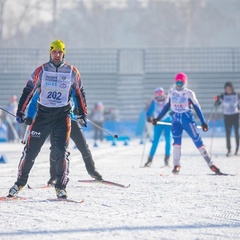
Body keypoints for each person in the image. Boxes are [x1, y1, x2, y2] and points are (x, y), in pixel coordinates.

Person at [7, 39, 87, 199]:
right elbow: (28, 90)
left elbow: (79, 93)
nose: (57, 55)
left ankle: (61, 187)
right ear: (50, 52)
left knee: (61, 152)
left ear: (64, 53)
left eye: (59, 52)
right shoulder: (41, 71)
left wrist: (82, 113)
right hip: (43, 115)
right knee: (30, 152)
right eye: (54, 52)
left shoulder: (72, 71)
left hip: (62, 117)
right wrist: (21, 110)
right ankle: (20, 183)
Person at [25, 90, 103, 186]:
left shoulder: (68, 85)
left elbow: (77, 97)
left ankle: (92, 171)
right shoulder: (44, 84)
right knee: (55, 149)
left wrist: (78, 111)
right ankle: (54, 177)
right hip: (55, 122)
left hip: (71, 120)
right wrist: (29, 116)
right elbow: (33, 102)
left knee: (83, 146)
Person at [151, 72, 221, 175]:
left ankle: (211, 164)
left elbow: (197, 107)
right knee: (176, 143)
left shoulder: (189, 93)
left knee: (198, 141)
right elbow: (166, 107)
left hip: (187, 120)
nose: (179, 84)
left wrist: (203, 122)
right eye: (177, 81)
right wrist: (157, 118)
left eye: (181, 82)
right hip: (175, 121)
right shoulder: (171, 93)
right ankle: (176, 165)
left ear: (185, 82)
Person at [144, 87, 172, 167]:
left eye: (161, 92)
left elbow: (172, 109)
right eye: (157, 92)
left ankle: (167, 160)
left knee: (168, 139)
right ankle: (149, 160)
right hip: (158, 123)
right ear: (155, 93)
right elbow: (149, 112)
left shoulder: (168, 100)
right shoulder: (154, 102)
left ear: (163, 92)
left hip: (167, 122)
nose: (159, 94)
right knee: (155, 141)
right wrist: (148, 117)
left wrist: (172, 113)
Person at [214, 82, 240, 156]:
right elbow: (217, 104)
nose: (228, 90)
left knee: (236, 133)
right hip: (227, 116)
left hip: (235, 115)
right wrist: (217, 99)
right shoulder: (223, 96)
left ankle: (237, 149)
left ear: (231, 88)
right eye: (227, 88)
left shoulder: (237, 95)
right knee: (228, 134)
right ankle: (229, 150)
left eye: (229, 88)